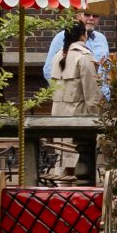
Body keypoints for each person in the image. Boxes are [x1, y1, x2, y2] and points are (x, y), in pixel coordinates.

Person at [47, 19, 102, 177]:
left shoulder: (57, 57)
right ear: (83, 36)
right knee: (82, 167)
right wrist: (99, 115)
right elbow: (92, 94)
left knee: (63, 166)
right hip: (79, 120)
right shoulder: (84, 57)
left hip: (58, 119)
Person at [44, 9, 110, 97]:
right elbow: (48, 70)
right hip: (75, 101)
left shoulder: (101, 38)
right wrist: (63, 95)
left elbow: (106, 68)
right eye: (87, 14)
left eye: (95, 16)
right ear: (78, 16)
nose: (91, 18)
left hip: (102, 98)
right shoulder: (62, 37)